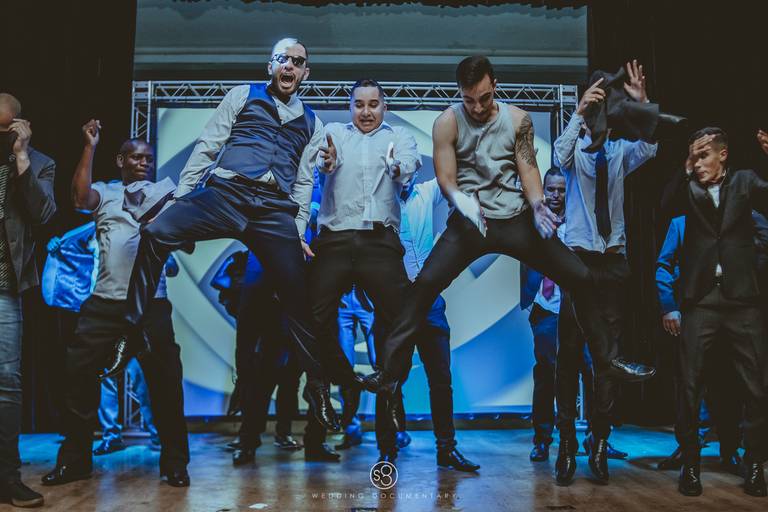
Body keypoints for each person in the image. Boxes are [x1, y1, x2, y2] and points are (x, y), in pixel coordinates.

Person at [362, 56, 654, 471]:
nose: (477, 108)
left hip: (515, 220)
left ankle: (608, 359)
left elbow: (529, 167)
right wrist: (462, 200)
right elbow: (446, 176)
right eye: (469, 100)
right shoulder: (446, 122)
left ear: (494, 86)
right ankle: (389, 373)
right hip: (470, 222)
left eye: (483, 98)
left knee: (580, 276)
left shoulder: (518, 119)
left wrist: (537, 206)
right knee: (423, 286)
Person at [112, 38, 339, 432]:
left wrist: (299, 231)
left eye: (298, 61)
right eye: (283, 58)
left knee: (298, 298)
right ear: (271, 65)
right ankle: (132, 331)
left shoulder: (314, 124)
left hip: (273, 209)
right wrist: (180, 199)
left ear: (306, 72)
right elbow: (208, 146)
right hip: (227, 193)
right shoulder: (242, 95)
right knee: (155, 233)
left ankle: (317, 389)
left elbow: (304, 183)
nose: (289, 66)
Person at [42, 121, 190, 488]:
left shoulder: (164, 194)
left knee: (167, 384)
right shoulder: (106, 192)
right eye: (136, 157)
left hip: (152, 305)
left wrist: (165, 222)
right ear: (121, 160)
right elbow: (78, 200)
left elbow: (187, 242)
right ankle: (76, 461)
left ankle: (174, 464)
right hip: (106, 303)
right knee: (77, 375)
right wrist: (89, 146)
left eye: (149, 159)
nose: (143, 163)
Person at [551, 60, 658, 485]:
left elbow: (651, 147)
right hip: (577, 262)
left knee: (606, 362)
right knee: (567, 358)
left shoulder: (619, 153)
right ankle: (565, 444)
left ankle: (598, 441)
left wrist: (641, 102)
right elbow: (556, 158)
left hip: (612, 263)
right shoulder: (575, 151)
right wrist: (578, 112)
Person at [306, 78, 420, 463]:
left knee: (400, 321)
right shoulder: (334, 132)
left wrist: (396, 167)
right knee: (312, 317)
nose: (366, 112)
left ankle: (389, 401)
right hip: (336, 240)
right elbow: (320, 159)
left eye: (373, 104)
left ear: (384, 107)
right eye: (359, 104)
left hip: (378, 242)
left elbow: (408, 168)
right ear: (349, 106)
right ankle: (330, 383)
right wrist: (325, 163)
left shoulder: (398, 136)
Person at [669, 127, 768, 497]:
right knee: (690, 385)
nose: (698, 163)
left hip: (742, 299)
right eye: (693, 157)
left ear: (723, 155)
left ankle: (756, 464)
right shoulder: (689, 187)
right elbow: (663, 205)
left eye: (703, 155)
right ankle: (690, 466)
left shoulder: (743, 181)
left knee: (757, 386)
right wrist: (683, 169)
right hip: (701, 301)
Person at [521, 168, 627, 464]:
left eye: (561, 190)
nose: (555, 196)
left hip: (584, 310)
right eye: (550, 190)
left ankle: (597, 437)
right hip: (547, 309)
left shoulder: (584, 224)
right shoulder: (536, 221)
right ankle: (542, 440)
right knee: (546, 373)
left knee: (594, 372)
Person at [655, 213, 758, 474]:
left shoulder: (739, 221)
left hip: (734, 309)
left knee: (730, 383)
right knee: (690, 383)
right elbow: (663, 265)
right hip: (694, 309)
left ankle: (730, 448)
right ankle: (689, 449)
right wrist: (668, 306)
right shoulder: (680, 224)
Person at [394, 177, 480, 471]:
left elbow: (451, 176)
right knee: (392, 378)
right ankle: (387, 448)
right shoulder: (381, 196)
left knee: (441, 380)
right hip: (398, 302)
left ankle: (446, 449)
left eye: (408, 167)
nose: (403, 174)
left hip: (430, 301)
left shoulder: (426, 191)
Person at [0, 92, 55, 508]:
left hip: (5, 290)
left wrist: (20, 159)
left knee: (7, 384)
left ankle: (8, 478)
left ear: (18, 125)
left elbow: (43, 214)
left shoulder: (38, 163)